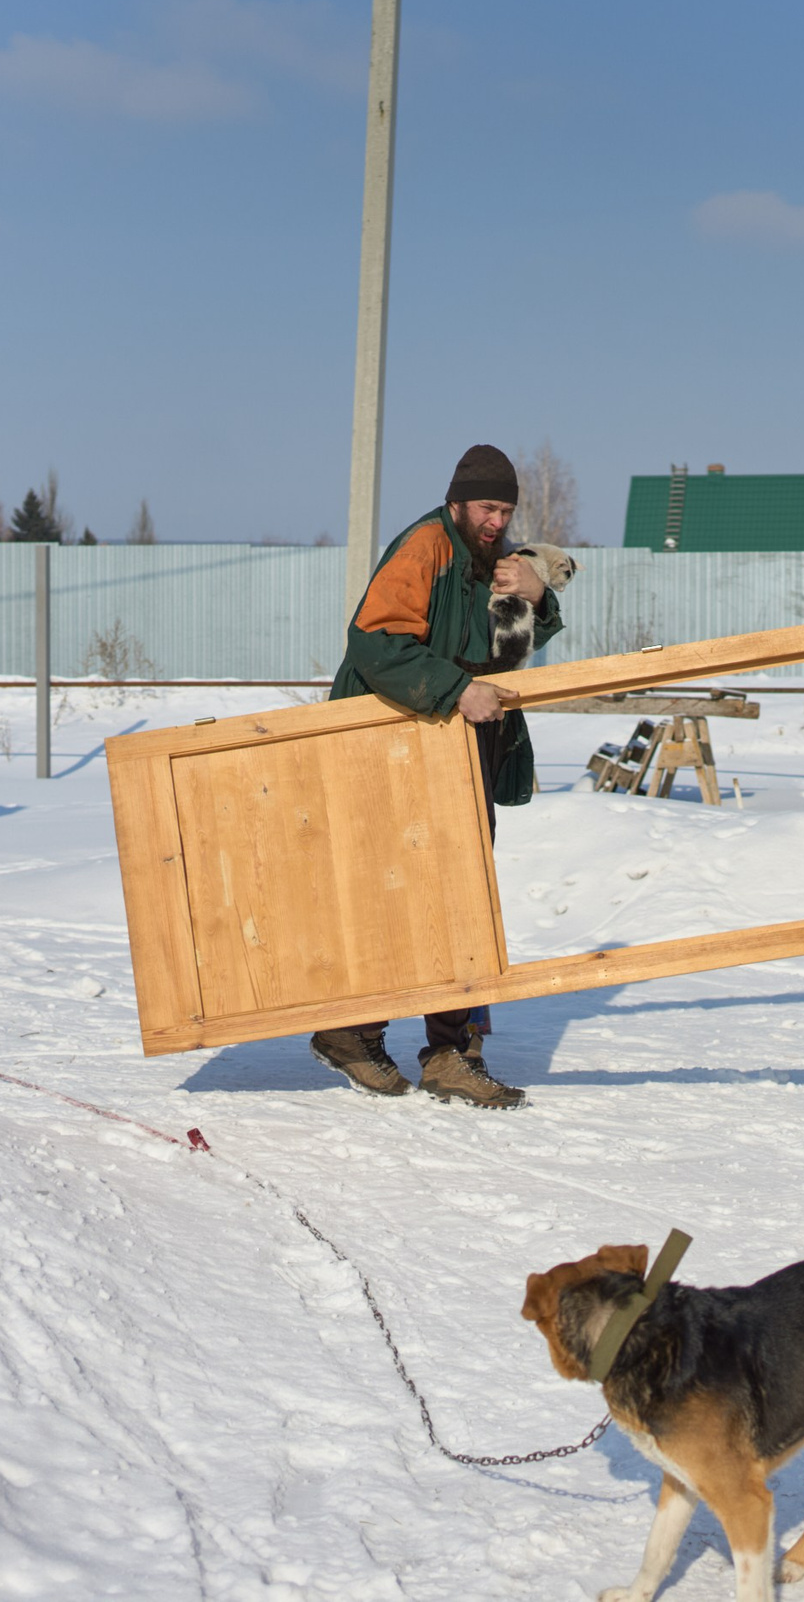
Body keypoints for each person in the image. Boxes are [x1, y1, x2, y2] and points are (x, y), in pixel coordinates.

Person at [308, 444, 557, 1109]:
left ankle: (452, 1049)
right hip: (395, 743)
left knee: (464, 895)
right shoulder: (426, 547)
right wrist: (453, 690)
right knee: (396, 889)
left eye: (504, 509)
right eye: (485, 506)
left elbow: (508, 652)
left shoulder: (494, 561)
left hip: (460, 744)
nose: (495, 520)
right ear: (457, 501)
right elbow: (375, 639)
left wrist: (538, 597)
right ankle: (349, 1029)